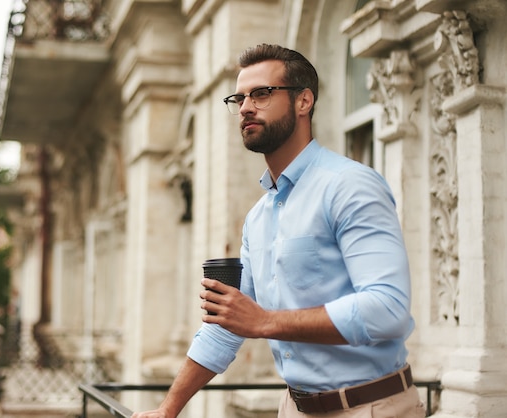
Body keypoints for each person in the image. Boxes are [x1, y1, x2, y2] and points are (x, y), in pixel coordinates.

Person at [132, 43, 425, 418]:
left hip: (370, 407)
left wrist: (265, 321)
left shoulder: (349, 185)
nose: (245, 107)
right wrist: (167, 409)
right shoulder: (258, 217)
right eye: (239, 97)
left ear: (304, 101)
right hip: (293, 408)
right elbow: (228, 327)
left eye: (262, 93)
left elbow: (388, 309)